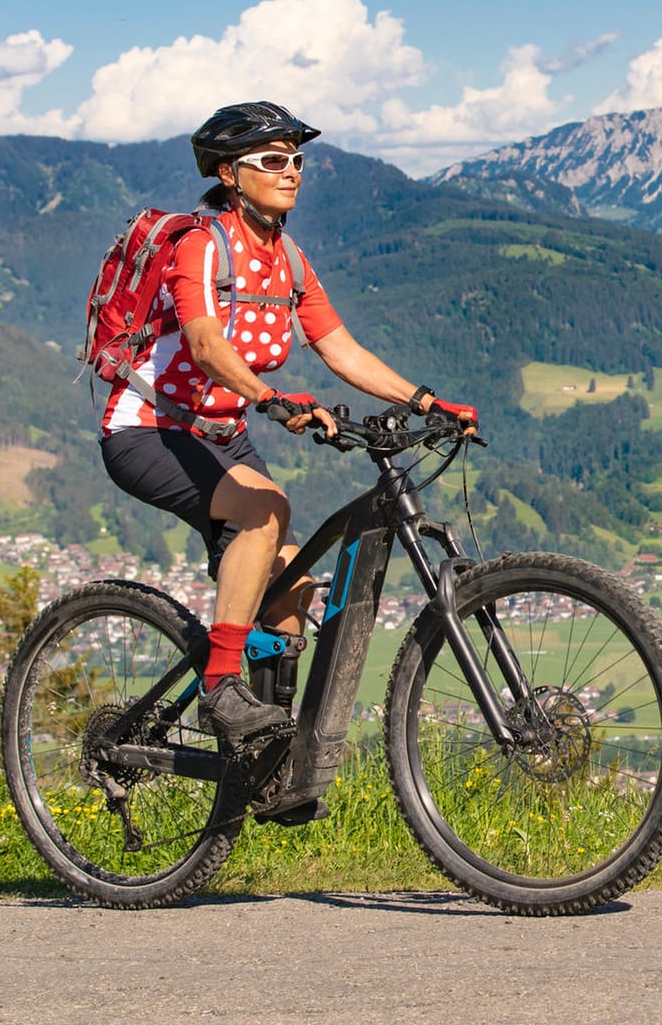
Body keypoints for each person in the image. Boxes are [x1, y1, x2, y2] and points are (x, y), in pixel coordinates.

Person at [98, 100, 477, 753]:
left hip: (220, 435)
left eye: (297, 160)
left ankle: (267, 757)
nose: (291, 171)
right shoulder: (200, 245)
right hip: (149, 429)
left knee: (290, 590)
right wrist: (270, 396)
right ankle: (221, 690)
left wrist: (425, 401)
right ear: (228, 173)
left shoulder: (288, 259)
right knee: (265, 510)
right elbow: (205, 343)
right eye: (273, 160)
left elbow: (341, 349)